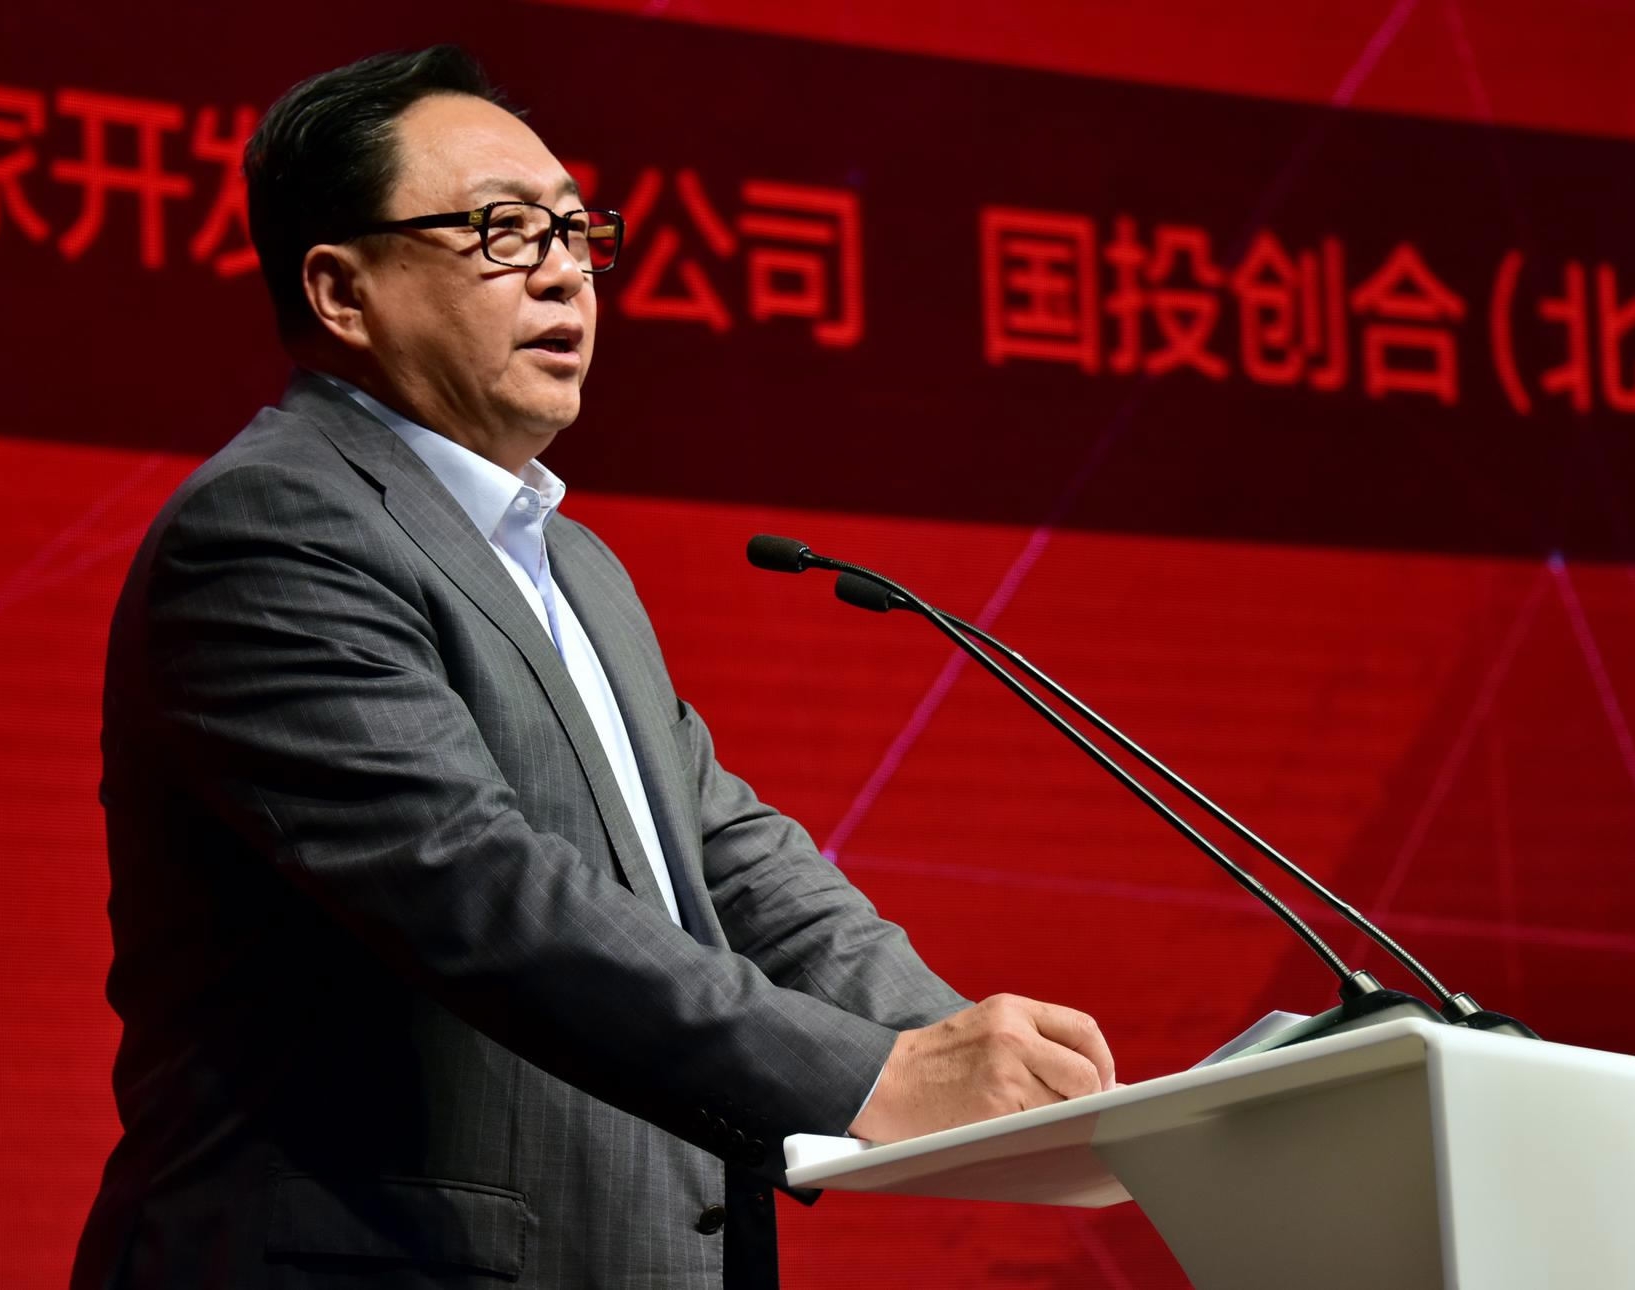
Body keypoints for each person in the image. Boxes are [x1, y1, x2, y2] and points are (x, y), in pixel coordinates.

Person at [71, 45, 1114, 1290]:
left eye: (574, 230)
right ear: (342, 291)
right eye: (503, 230)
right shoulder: (271, 528)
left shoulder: (574, 564)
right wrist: (873, 1078)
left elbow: (731, 862)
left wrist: (961, 1049)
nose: (565, 268)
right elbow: (476, 887)